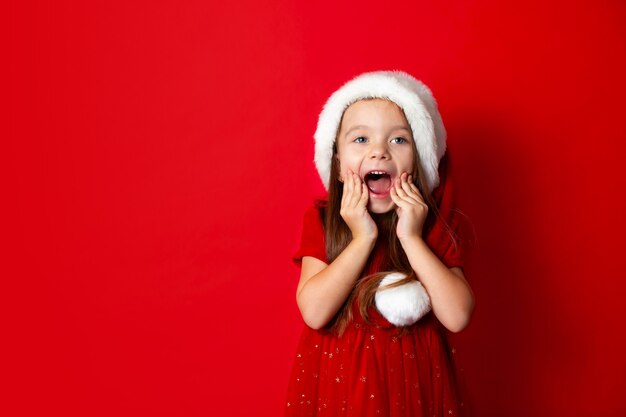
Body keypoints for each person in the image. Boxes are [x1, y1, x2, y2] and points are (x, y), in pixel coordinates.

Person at [284, 70, 475, 417]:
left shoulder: (437, 225)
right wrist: (362, 238)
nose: (379, 153)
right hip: (338, 390)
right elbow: (313, 311)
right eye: (360, 140)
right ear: (338, 164)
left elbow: (458, 316)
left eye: (399, 140)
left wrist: (411, 237)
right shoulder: (323, 221)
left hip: (414, 387)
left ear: (420, 162)